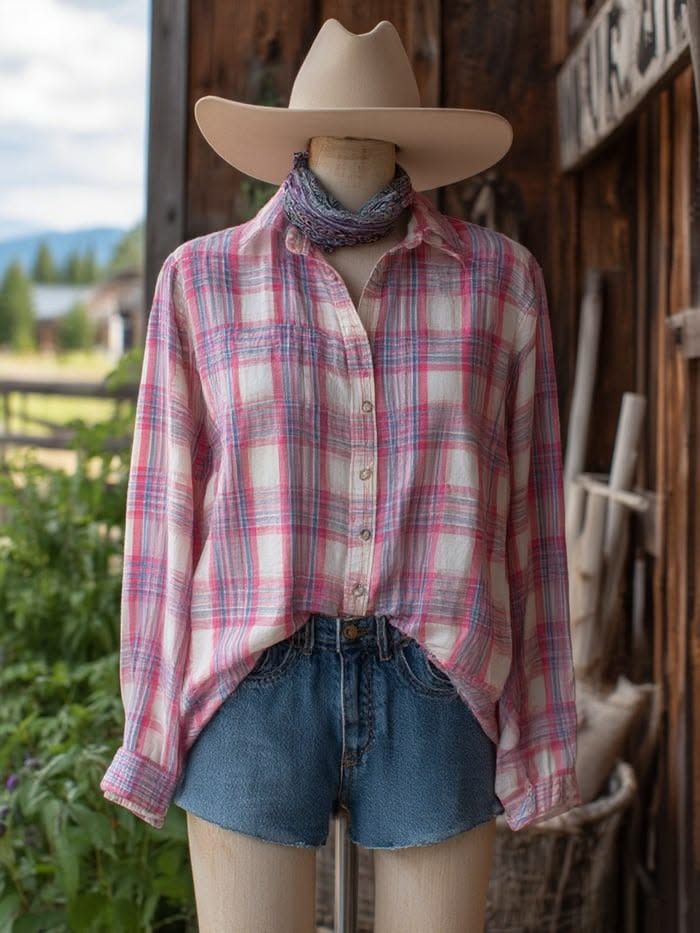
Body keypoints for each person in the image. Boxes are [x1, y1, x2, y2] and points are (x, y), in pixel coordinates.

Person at [101, 19, 580, 932]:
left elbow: (534, 530)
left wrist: (540, 743)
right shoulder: (200, 282)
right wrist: (151, 737)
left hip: (439, 675)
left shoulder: (500, 281)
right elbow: (163, 522)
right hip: (253, 674)